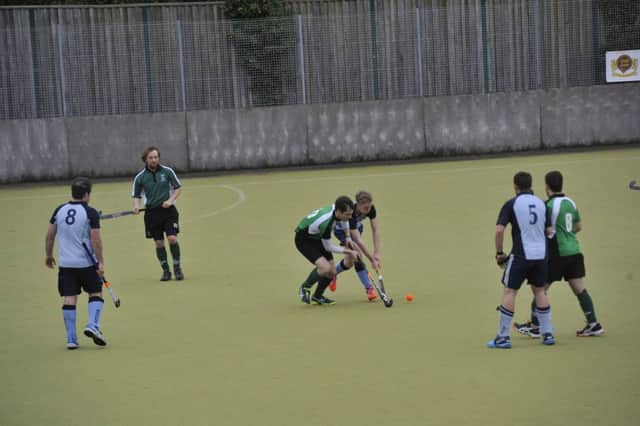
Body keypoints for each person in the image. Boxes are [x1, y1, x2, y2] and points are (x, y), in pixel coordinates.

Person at [514, 171, 604, 337]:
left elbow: (544, 229)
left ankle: (535, 325)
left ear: (547, 187)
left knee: (540, 289)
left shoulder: (548, 205)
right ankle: (594, 324)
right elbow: (578, 227)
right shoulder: (571, 203)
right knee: (580, 289)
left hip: (557, 254)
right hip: (574, 252)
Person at [488, 171, 556, 349]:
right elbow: (550, 231)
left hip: (521, 255)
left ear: (515, 186)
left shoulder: (511, 203)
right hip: (541, 255)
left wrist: (500, 253)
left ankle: (502, 337)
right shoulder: (542, 203)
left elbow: (499, 230)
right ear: (531, 185)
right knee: (540, 291)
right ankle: (547, 334)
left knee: (510, 291)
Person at [45, 177, 107, 349]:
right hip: (86, 263)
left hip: (66, 264)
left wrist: (48, 255)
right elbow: (96, 240)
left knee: (69, 297)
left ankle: (71, 339)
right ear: (87, 194)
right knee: (95, 292)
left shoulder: (59, 210)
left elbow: (50, 235)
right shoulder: (91, 213)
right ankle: (93, 325)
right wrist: (100, 262)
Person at [132, 146, 184, 281]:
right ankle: (166, 271)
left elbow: (178, 188)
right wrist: (136, 207)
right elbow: (136, 195)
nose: (154, 160)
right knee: (159, 243)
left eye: (156, 157)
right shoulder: (140, 177)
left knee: (172, 239)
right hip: (152, 214)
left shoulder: (167, 172)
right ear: (146, 159)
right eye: (151, 158)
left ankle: (177, 268)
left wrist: (171, 200)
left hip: (168, 211)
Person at [296, 196, 360, 305]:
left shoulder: (339, 210)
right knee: (325, 268)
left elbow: (344, 221)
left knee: (332, 272)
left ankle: (317, 296)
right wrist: (349, 252)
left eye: (351, 214)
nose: (350, 217)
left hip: (317, 237)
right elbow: (328, 247)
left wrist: (348, 236)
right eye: (347, 214)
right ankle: (305, 287)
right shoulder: (326, 223)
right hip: (304, 240)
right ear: (339, 212)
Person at [329, 190, 381, 301]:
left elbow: (375, 230)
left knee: (349, 263)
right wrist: (372, 260)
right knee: (357, 254)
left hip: (357, 228)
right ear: (358, 205)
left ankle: (333, 273)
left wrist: (376, 252)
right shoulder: (350, 213)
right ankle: (369, 288)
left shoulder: (371, 208)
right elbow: (358, 240)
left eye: (369, 206)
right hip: (342, 231)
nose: (368, 210)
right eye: (365, 208)